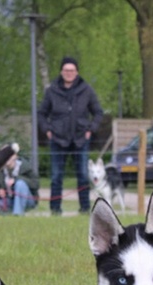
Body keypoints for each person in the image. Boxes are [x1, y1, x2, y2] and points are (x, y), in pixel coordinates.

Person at [37, 56, 103, 215]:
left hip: (80, 139)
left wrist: (91, 129)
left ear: (77, 72)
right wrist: (47, 129)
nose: (69, 73)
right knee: (56, 176)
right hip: (58, 139)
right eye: (66, 70)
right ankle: (55, 209)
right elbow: (41, 113)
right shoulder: (52, 90)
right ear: (61, 72)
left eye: (72, 70)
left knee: (82, 175)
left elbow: (98, 112)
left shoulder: (86, 90)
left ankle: (85, 208)